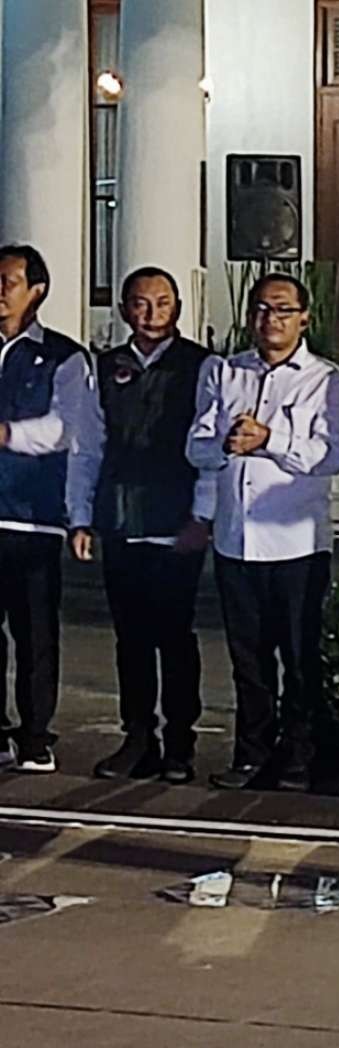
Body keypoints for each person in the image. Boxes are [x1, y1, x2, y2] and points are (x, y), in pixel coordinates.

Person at [188, 273, 339, 791]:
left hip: (295, 541)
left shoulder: (325, 380)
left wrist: (270, 439)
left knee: (299, 657)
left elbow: (330, 456)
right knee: (248, 659)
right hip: (238, 540)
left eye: (282, 310)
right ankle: (251, 754)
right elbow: (197, 446)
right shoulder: (225, 371)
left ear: (305, 317)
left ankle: (299, 756)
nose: (270, 320)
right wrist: (229, 445)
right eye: (260, 309)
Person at [70, 266, 214, 783]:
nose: (150, 314)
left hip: (177, 520)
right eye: (139, 303)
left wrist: (204, 515)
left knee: (174, 634)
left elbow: (212, 450)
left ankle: (180, 743)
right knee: (130, 636)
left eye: (161, 302)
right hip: (121, 517)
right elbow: (88, 447)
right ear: (124, 308)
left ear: (177, 306)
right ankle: (138, 738)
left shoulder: (201, 365)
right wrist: (81, 517)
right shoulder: (105, 366)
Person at [0, 244, 101, 775]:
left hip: (33, 515)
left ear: (36, 290)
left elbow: (67, 430)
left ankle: (36, 734)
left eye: (9, 281)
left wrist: (8, 434)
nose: (0, 291)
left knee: (35, 632)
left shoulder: (65, 357)